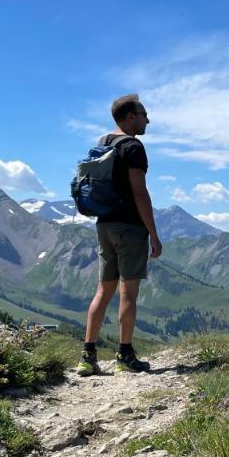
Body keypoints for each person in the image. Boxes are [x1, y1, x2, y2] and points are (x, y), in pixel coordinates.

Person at [75, 93, 163, 375]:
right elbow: (139, 191)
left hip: (104, 225)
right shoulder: (133, 147)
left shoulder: (104, 143)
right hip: (129, 226)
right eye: (143, 114)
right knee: (129, 292)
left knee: (103, 290)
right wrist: (153, 233)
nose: (147, 119)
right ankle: (125, 355)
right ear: (129, 117)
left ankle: (87, 356)